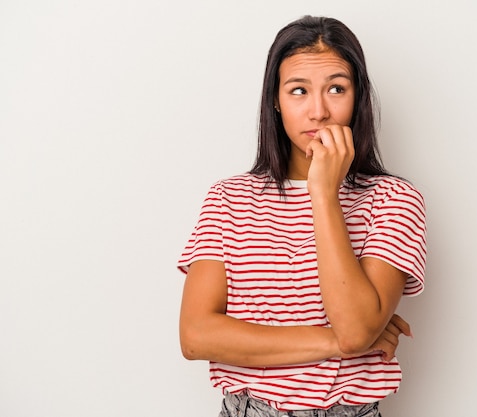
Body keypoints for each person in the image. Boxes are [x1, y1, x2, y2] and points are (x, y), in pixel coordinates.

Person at [177, 15, 427, 417]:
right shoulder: (229, 198)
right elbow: (195, 335)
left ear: (357, 97)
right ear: (275, 100)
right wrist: (336, 342)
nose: (318, 111)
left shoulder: (393, 200)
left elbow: (357, 327)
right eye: (298, 90)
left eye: (336, 89)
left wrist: (323, 192)